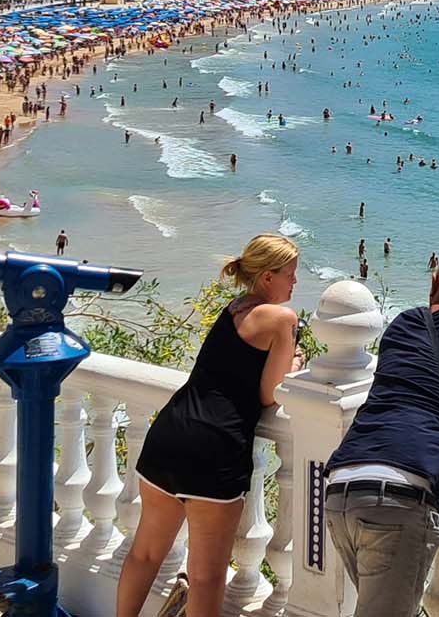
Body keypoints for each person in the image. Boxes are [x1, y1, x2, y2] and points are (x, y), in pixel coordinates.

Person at [323, 248, 439, 617]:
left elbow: (413, 389)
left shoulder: (403, 324)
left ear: (433, 284)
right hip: (398, 499)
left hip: (342, 487)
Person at [117, 235, 302, 617]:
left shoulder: (234, 307)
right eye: (291, 274)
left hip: (171, 432)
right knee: (206, 577)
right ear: (268, 277)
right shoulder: (283, 318)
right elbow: (270, 395)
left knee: (146, 553)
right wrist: (295, 366)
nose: (295, 282)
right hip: (216, 447)